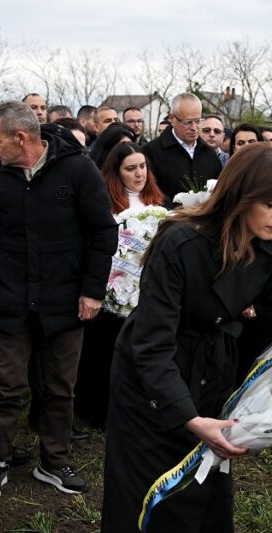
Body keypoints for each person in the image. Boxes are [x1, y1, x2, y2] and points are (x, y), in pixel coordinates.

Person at [99, 143, 272, 533]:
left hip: (212, 370)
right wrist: (189, 418)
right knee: (149, 488)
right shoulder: (180, 242)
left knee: (212, 484)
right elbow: (151, 347)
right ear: (241, 197)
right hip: (152, 380)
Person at [0, 102, 118, 502]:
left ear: (21, 137)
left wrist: (92, 290)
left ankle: (53, 460)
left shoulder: (77, 169)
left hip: (65, 300)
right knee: (4, 384)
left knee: (60, 387)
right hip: (11, 297)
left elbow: (103, 232)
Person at [75, 142, 167, 430]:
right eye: (131, 168)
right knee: (106, 354)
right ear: (117, 173)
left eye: (142, 166)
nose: (139, 173)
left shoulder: (156, 203)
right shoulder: (107, 203)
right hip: (114, 291)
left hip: (147, 291)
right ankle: (98, 408)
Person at [143, 93, 222, 200]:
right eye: (187, 122)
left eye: (198, 121)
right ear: (172, 119)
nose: (194, 127)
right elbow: (149, 193)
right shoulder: (151, 152)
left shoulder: (209, 153)